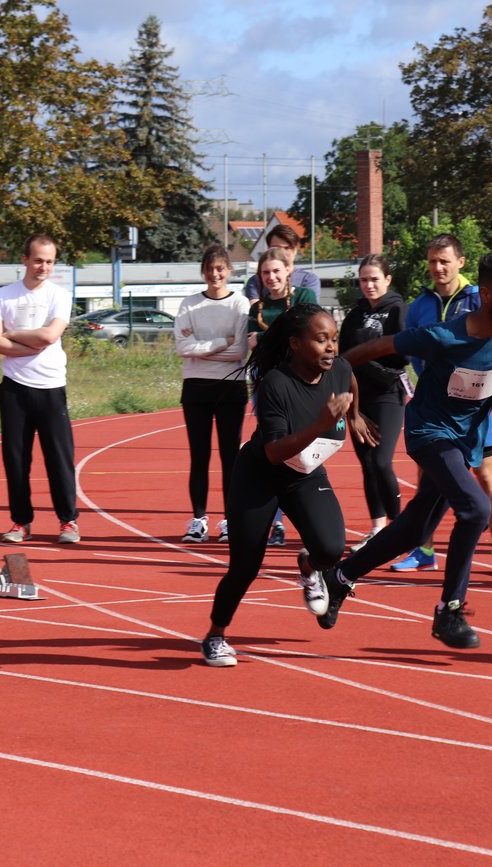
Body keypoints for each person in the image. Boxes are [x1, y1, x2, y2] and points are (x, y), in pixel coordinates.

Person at [322, 253, 492, 649]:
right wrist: (335, 383)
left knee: (414, 529)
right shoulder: (444, 336)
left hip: (467, 441)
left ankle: (339, 577)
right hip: (429, 431)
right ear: (486, 293)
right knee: (476, 508)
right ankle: (450, 610)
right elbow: (373, 348)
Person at [199, 303, 371, 666]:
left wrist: (354, 416)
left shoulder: (338, 369)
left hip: (305, 474)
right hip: (260, 476)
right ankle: (215, 636)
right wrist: (322, 422)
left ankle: (308, 568)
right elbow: (275, 452)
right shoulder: (275, 384)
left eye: (334, 339)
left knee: (330, 549)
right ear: (295, 343)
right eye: (321, 340)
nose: (331, 348)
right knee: (245, 567)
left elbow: (350, 379)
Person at [390, 234, 492, 576]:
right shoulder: (419, 306)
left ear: (460, 262)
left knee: (486, 474)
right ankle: (425, 549)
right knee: (427, 474)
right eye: (432, 261)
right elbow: (413, 351)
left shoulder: (480, 298)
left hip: (472, 405)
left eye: (444, 260)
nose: (437, 267)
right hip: (434, 408)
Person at [0, 234, 81, 544]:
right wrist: (28, 344)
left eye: (50, 262)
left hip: (51, 387)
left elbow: (50, 336)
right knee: (15, 459)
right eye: (38, 260)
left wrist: (13, 335)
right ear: (25, 260)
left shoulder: (59, 296)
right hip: (14, 389)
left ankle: (68, 521)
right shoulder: (4, 296)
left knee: (59, 458)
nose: (43, 267)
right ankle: (20, 522)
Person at [175, 245, 250, 543]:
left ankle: (230, 519)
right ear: (203, 271)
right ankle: (198, 519)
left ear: (229, 270)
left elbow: (240, 351)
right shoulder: (189, 304)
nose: (215, 274)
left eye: (220, 268)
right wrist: (222, 342)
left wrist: (203, 351)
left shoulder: (240, 305)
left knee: (230, 456)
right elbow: (183, 349)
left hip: (231, 387)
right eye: (209, 269)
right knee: (199, 455)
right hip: (195, 388)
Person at [245, 248, 319, 547]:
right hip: (266, 387)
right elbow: (254, 344)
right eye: (266, 273)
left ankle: (309, 518)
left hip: (300, 385)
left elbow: (305, 334)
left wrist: (266, 339)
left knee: (303, 453)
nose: (272, 277)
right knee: (272, 452)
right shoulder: (257, 309)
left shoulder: (303, 298)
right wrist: (274, 339)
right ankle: (274, 522)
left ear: (288, 270)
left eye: (277, 271)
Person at [338, 254, 408, 549]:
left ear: (387, 279)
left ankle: (400, 527)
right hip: (358, 397)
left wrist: (369, 356)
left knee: (381, 461)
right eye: (364, 280)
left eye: (374, 279)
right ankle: (377, 527)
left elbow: (404, 353)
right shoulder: (354, 315)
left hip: (388, 394)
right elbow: (341, 356)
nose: (368, 285)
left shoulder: (397, 310)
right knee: (366, 463)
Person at [243, 224, 321, 299]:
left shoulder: (308, 280)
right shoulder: (255, 281)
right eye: (276, 248)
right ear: (268, 249)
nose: (282, 252)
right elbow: (255, 308)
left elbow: (310, 310)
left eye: (286, 248)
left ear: (295, 250)